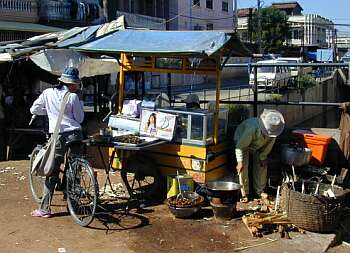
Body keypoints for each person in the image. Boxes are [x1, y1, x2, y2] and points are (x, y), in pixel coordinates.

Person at [30, 67, 84, 218]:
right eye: (76, 84)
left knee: (52, 171)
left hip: (58, 136)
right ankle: (73, 204)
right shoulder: (73, 97)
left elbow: (34, 109)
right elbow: (79, 119)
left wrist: (49, 112)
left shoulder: (47, 93)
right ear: (71, 84)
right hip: (75, 135)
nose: (77, 87)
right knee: (74, 169)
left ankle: (45, 209)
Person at [234, 109, 285, 202]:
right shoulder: (251, 129)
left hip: (257, 145)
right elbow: (240, 146)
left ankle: (259, 191)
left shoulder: (274, 130)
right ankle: (244, 193)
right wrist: (240, 161)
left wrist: (263, 156)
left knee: (262, 165)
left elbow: (268, 146)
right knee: (242, 167)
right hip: (242, 143)